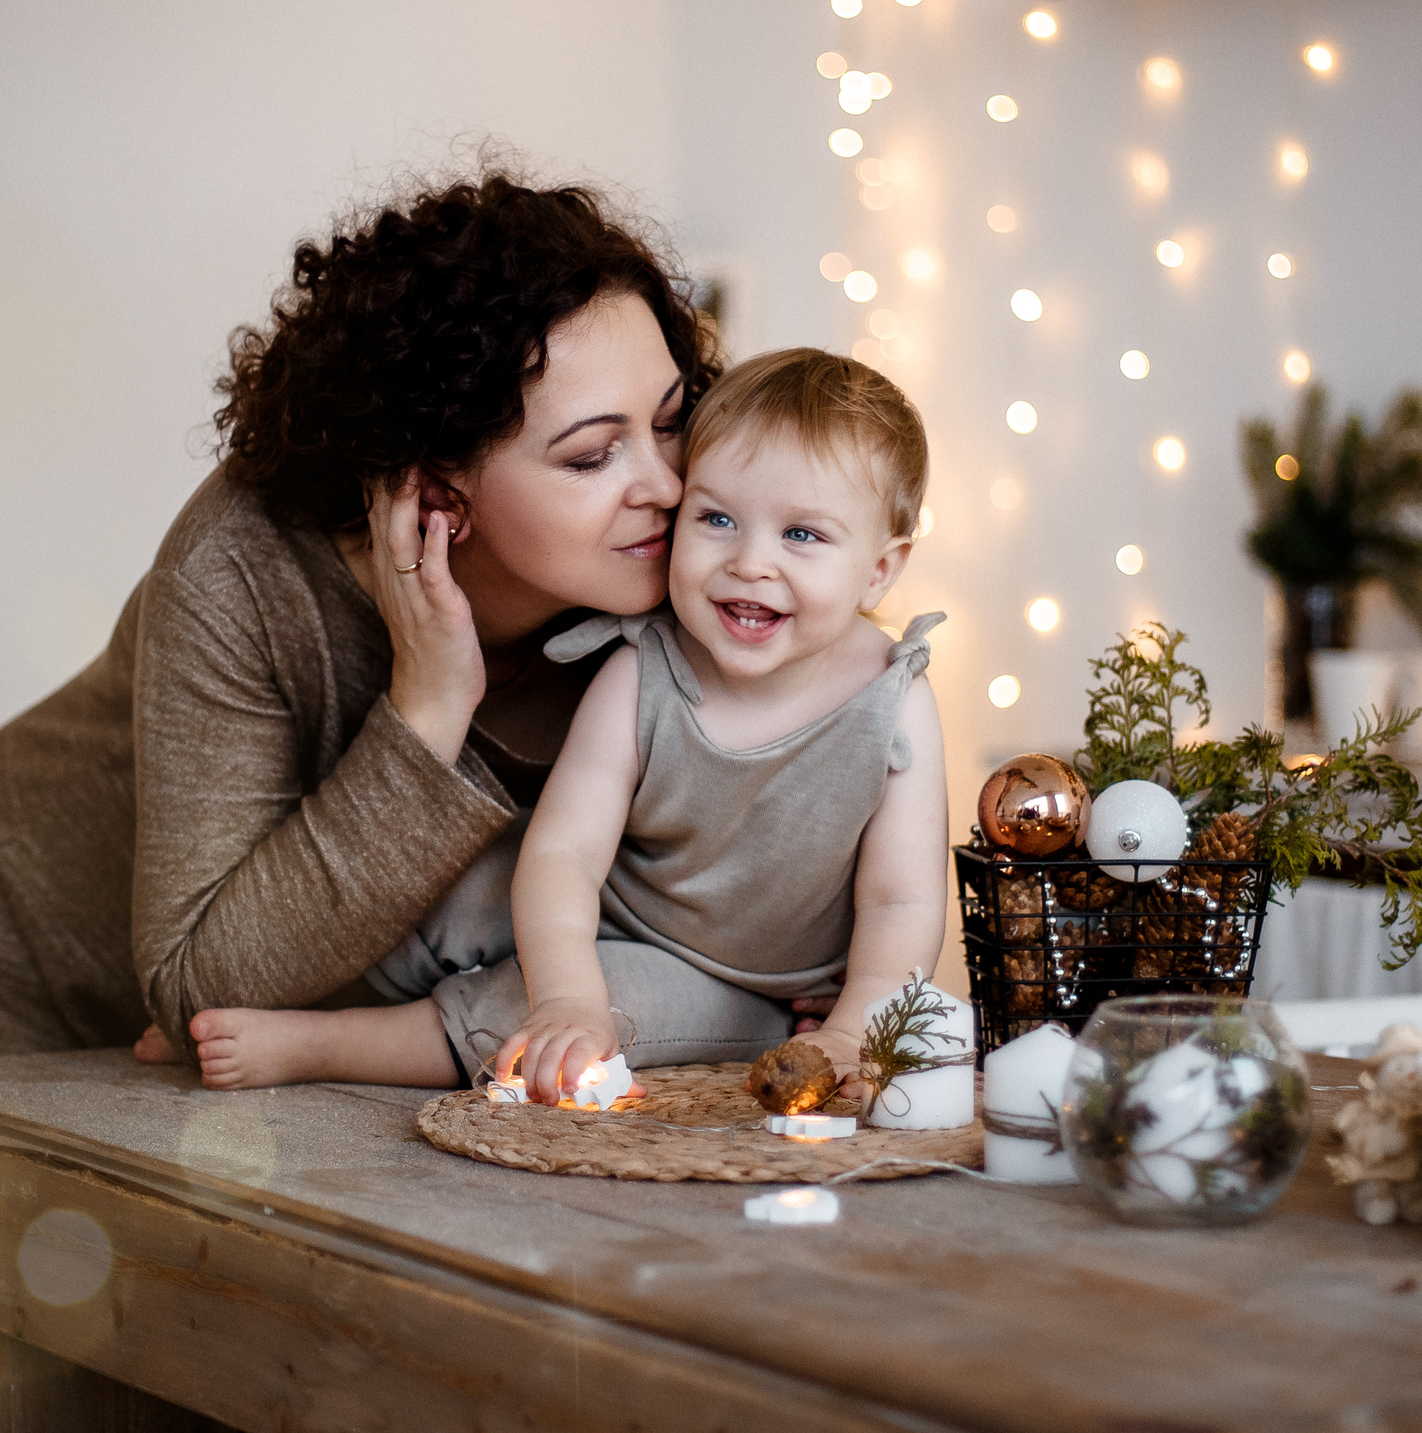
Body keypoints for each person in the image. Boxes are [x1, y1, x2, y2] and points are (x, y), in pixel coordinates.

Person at [0, 170, 791, 1070]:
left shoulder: (691, 552)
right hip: (21, 964)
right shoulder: (238, 568)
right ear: (437, 488)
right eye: (593, 455)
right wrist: (430, 707)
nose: (668, 486)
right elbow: (197, 987)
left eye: (672, 422)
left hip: (303, 1027)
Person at [183, 348, 948, 1098]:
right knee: (462, 883)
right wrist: (565, 988)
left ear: (881, 568)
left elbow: (900, 904)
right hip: (613, 904)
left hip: (742, 986)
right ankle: (271, 1003)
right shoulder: (644, 667)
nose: (750, 562)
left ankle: (324, 1043)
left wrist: (852, 1031)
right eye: (716, 517)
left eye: (802, 535)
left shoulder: (890, 699)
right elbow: (564, 853)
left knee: (591, 1012)